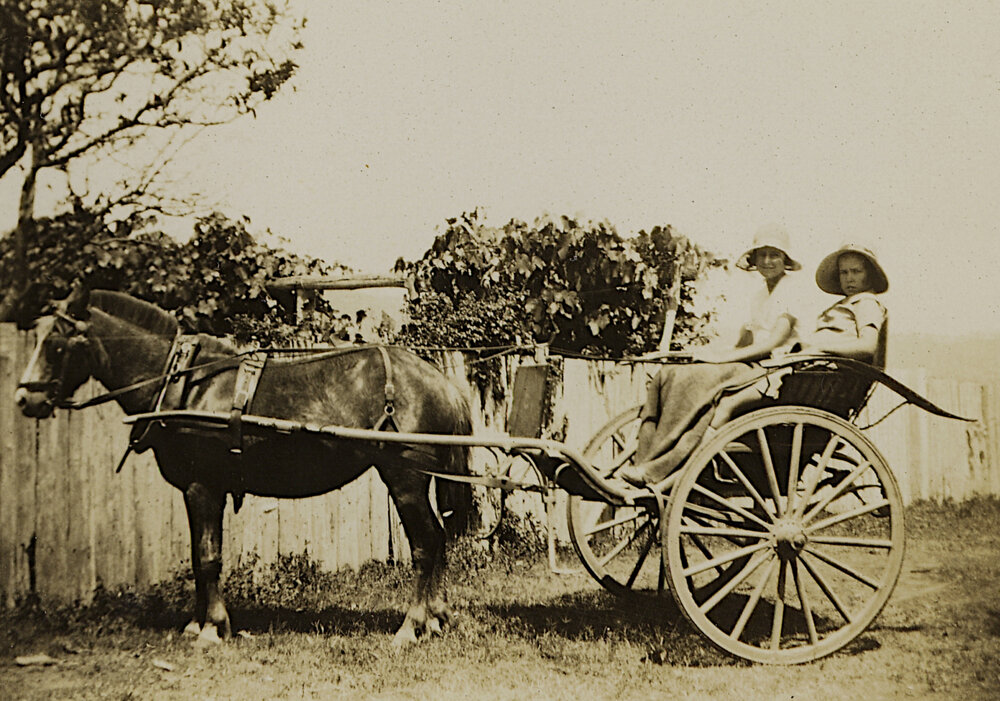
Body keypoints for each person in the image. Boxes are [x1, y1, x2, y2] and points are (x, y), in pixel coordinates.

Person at [621, 241, 889, 487]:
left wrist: (818, 347)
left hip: (810, 375)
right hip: (798, 368)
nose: (850, 279)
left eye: (856, 272)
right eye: (845, 273)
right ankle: (657, 466)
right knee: (707, 395)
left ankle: (668, 473)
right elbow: (743, 342)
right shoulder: (841, 303)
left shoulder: (867, 303)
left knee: (723, 405)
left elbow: (868, 346)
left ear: (870, 276)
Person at [622, 224, 804, 484]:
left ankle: (660, 469)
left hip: (776, 370)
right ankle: (644, 460)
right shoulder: (761, 293)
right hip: (754, 366)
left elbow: (774, 342)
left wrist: (719, 360)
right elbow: (745, 341)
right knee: (670, 373)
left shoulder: (791, 289)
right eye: (761, 255)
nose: (767, 261)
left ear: (785, 259)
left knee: (698, 383)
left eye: (774, 254)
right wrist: (704, 352)